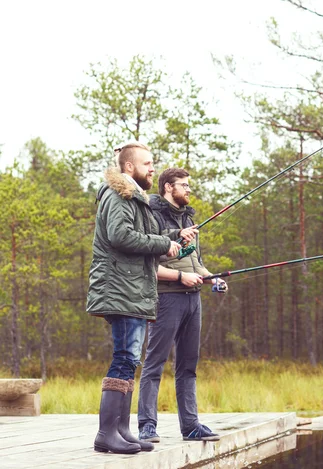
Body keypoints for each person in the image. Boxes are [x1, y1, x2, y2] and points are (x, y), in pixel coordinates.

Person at [86, 143, 196, 454]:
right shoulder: (119, 194)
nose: (152, 168)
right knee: (124, 358)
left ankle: (121, 430)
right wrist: (163, 243)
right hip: (121, 289)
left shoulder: (135, 198)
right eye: (147, 164)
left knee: (130, 359)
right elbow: (121, 237)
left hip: (131, 289)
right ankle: (106, 434)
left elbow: (145, 235)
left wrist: (174, 238)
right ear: (129, 167)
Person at [137, 167, 227, 443]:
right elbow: (147, 265)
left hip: (193, 300)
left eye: (189, 185)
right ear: (168, 187)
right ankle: (147, 427)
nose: (189, 189)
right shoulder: (151, 215)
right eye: (184, 185)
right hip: (166, 298)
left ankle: (191, 426)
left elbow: (194, 262)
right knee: (154, 363)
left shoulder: (188, 217)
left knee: (188, 366)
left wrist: (211, 278)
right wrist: (180, 276)